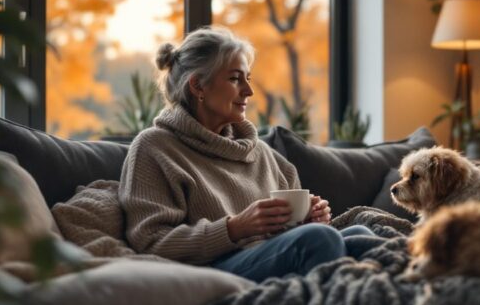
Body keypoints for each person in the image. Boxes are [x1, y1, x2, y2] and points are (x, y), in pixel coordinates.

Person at [118, 26, 380, 282]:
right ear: (198, 86)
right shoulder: (155, 147)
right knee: (320, 239)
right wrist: (233, 229)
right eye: (234, 79)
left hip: (271, 258)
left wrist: (310, 220)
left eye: (248, 78)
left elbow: (291, 238)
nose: (249, 91)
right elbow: (151, 243)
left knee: (360, 235)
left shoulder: (266, 155)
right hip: (214, 268)